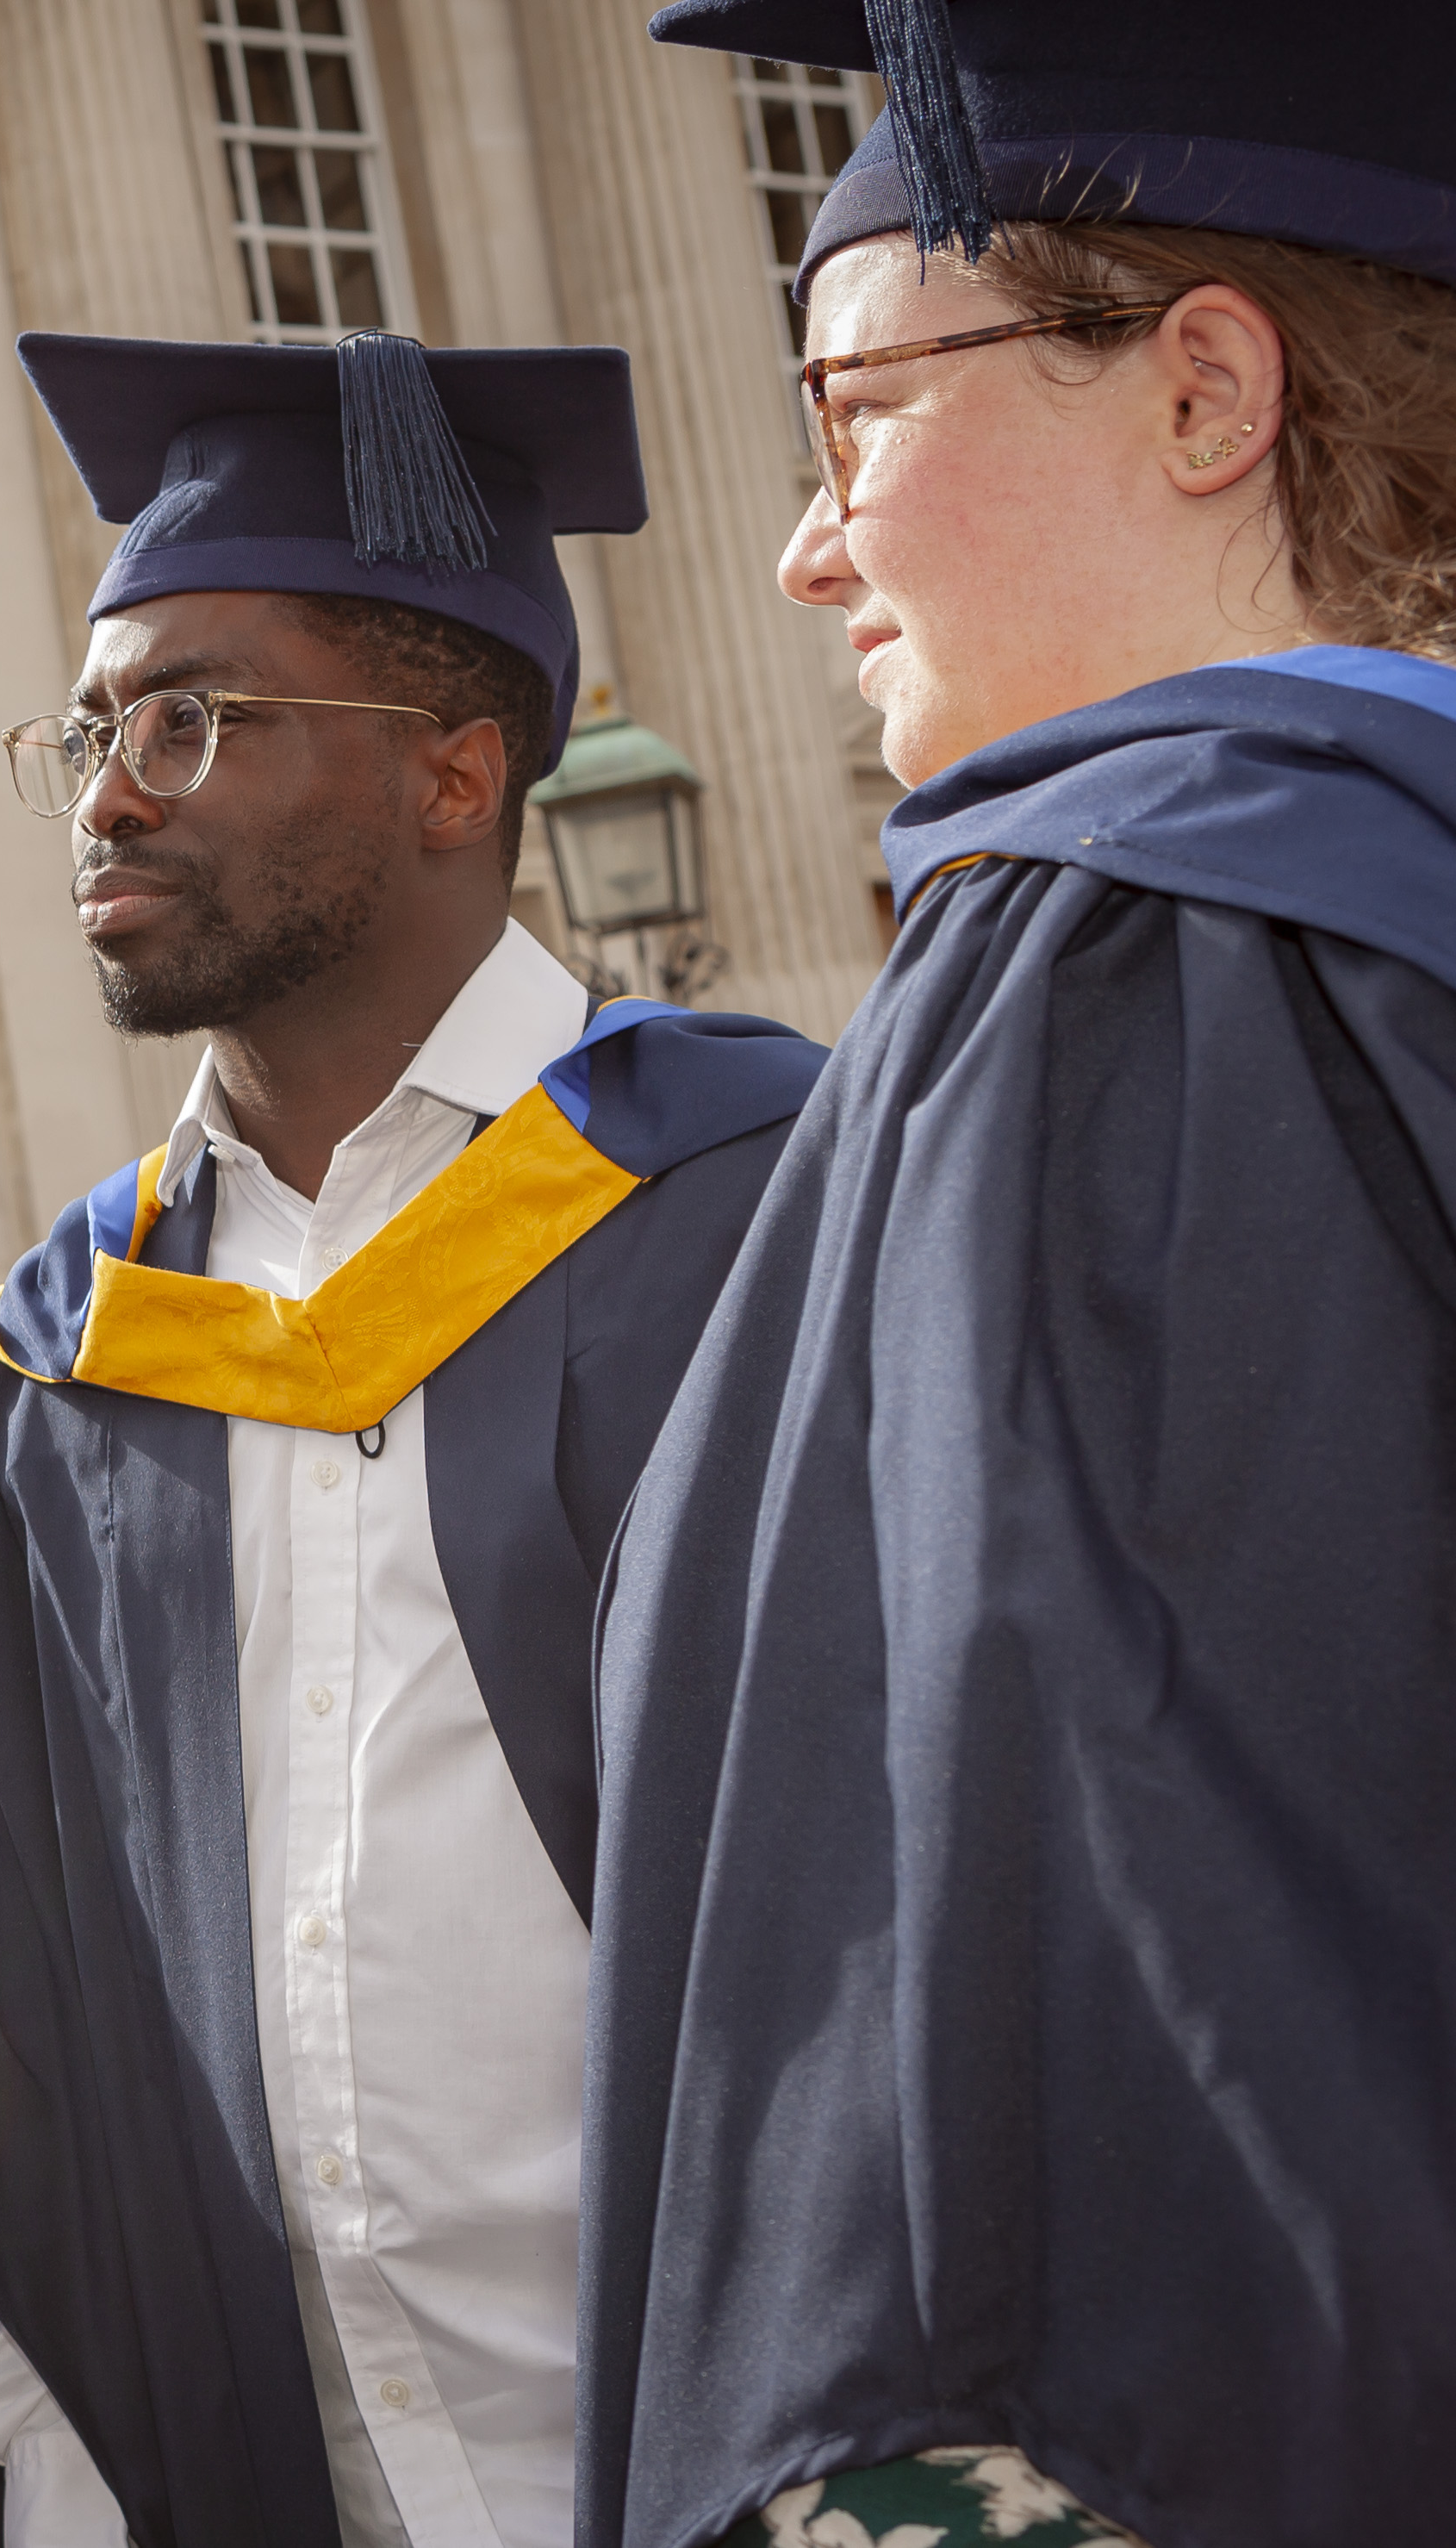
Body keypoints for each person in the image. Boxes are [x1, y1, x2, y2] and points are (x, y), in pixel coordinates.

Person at [574, 11, 1456, 2547]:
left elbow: (1166, 2090)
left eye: (855, 411)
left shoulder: (1119, 953)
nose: (801, 541)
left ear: (1201, 388)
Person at [0, 330, 825, 2548]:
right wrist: (62, 2442)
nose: (106, 792)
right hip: (247, 2476)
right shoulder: (57, 1366)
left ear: (452, 773)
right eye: (92, 731)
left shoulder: (774, 1206)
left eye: (188, 717)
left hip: (752, 2449)